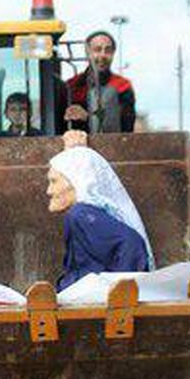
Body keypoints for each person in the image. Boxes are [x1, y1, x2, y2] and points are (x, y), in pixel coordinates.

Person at [46, 146, 154, 291]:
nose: (49, 191)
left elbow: (132, 243)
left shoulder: (80, 214)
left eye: (54, 181)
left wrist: (120, 290)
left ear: (77, 180)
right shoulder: (83, 215)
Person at [61, 30, 136, 135]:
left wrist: (88, 117)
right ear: (87, 52)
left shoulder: (122, 86)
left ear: (113, 53)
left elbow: (126, 127)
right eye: (97, 50)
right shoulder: (71, 86)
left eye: (108, 50)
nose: (102, 55)